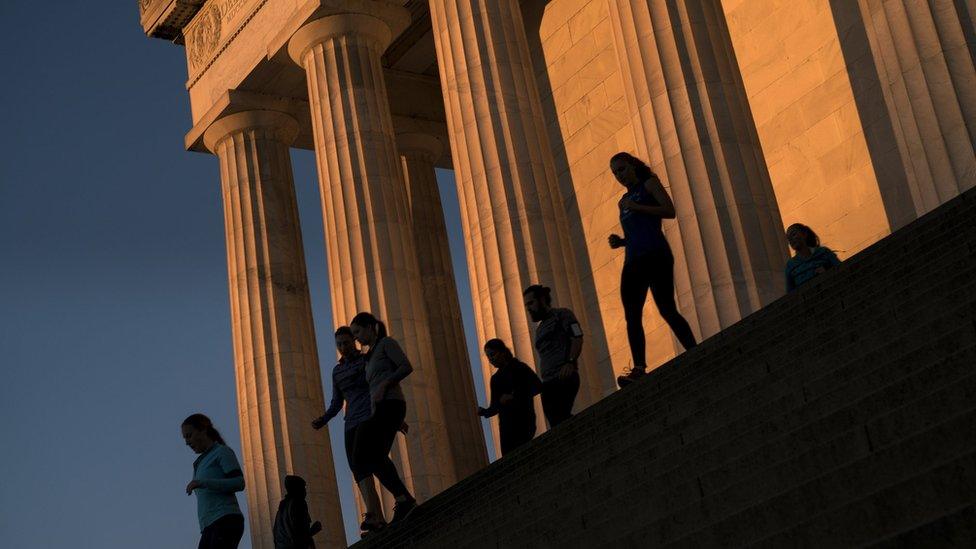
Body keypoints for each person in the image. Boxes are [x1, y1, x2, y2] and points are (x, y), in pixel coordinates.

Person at [608, 152, 698, 388]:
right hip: (633, 260)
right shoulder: (622, 201)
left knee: (667, 308)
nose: (619, 175)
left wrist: (637, 206)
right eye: (615, 172)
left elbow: (669, 211)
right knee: (632, 314)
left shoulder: (648, 184)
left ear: (632, 165)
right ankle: (639, 367)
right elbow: (636, 232)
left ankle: (694, 350)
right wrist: (621, 242)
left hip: (656, 254)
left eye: (622, 168)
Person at [311, 326, 406, 533]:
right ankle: (376, 516)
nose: (342, 347)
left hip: (369, 416)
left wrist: (394, 418)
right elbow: (337, 401)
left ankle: (394, 501)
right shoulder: (337, 371)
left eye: (345, 342)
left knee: (373, 457)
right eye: (339, 344)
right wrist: (324, 419)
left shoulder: (366, 361)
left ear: (353, 341)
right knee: (358, 467)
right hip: (351, 422)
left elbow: (379, 385)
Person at [349, 312, 418, 529]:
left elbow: (406, 366)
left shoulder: (387, 343)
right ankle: (403, 499)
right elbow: (372, 390)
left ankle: (403, 499)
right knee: (371, 457)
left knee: (362, 452)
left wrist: (386, 384)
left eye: (357, 332)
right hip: (380, 411)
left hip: (392, 404)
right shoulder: (370, 356)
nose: (356, 338)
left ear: (370, 327)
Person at [182, 413, 246, 549]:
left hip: (225, 519)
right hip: (208, 526)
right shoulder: (200, 463)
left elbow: (239, 482)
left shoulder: (222, 452)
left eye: (189, 435)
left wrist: (203, 483)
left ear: (203, 430)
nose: (187, 442)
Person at [523, 284, 583, 427]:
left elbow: (577, 337)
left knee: (561, 417)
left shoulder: (562, 314)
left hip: (564, 376)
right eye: (526, 305)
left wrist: (570, 362)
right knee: (557, 423)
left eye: (531, 303)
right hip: (548, 384)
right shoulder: (539, 330)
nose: (528, 308)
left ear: (542, 299)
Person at [478, 338, 543, 455]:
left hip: (523, 418)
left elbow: (537, 386)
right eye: (488, 357)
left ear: (502, 352)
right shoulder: (495, 379)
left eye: (492, 354)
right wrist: (485, 412)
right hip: (506, 426)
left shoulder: (520, 367)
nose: (491, 359)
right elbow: (495, 405)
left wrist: (513, 396)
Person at [785, 223, 841, 292]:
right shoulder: (790, 265)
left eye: (793, 234)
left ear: (804, 234)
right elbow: (790, 292)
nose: (791, 240)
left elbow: (840, 270)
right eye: (788, 238)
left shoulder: (823, 252)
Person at [272, 475, 322, 549]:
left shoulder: (281, 511)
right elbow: (299, 537)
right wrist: (313, 530)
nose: (305, 491)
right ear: (297, 489)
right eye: (303, 488)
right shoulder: (297, 503)